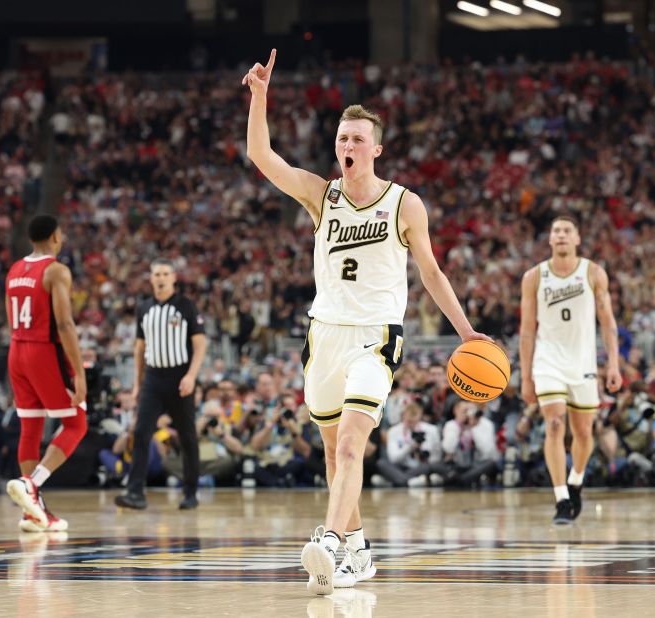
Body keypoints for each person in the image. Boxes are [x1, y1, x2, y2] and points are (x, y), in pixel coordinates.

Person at [242, 49, 492, 595]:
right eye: (341, 138)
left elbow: (430, 271)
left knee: (354, 445)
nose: (347, 146)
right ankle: (357, 550)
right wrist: (260, 98)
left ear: (376, 149)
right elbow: (261, 155)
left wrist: (465, 330)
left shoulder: (405, 204)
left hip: (376, 337)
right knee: (333, 454)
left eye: (357, 139)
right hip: (324, 334)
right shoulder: (319, 194)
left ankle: (330, 541)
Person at [519, 215, 622, 526]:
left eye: (567, 231)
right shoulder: (534, 277)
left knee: (584, 433)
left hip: (583, 362)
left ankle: (576, 479)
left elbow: (608, 322)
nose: (561, 235)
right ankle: (561, 496)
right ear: (549, 239)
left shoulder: (593, 273)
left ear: (577, 239)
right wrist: (525, 376)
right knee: (553, 424)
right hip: (548, 360)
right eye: (556, 231)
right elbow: (526, 330)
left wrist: (613, 363)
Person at [5, 214, 87, 533]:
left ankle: (33, 513)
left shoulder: (14, 270)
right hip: (43, 350)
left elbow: (9, 314)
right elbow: (64, 324)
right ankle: (31, 484)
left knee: (31, 426)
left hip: (17, 348)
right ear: (55, 237)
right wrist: (78, 372)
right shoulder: (56, 270)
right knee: (76, 423)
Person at [114, 259, 207, 510]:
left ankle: (190, 493)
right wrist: (137, 384)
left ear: (174, 277)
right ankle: (135, 493)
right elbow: (139, 347)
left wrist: (191, 376)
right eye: (157, 274)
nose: (161, 277)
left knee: (187, 437)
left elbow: (200, 344)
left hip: (180, 378)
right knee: (141, 432)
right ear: (151, 278)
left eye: (166, 273)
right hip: (153, 379)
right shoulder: (143, 308)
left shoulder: (186, 305)